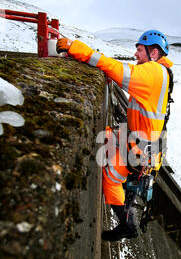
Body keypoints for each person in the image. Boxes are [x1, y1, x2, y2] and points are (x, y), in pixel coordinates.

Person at [56, 30, 173, 241]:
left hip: (140, 150)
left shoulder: (154, 71)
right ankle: (127, 221)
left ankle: (127, 224)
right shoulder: (161, 73)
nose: (136, 54)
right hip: (144, 142)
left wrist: (74, 47)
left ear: (153, 52)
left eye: (139, 50)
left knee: (111, 178)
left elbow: (115, 68)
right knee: (108, 136)